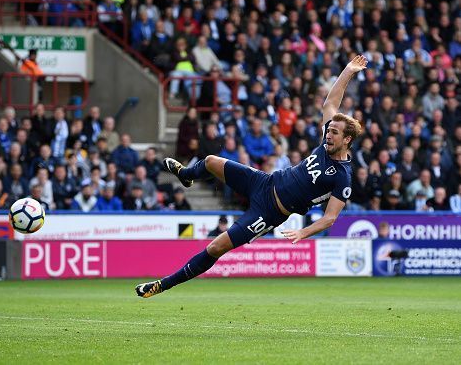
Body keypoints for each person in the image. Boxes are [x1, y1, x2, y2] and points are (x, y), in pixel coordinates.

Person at [135, 55, 367, 298]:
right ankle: (186, 174)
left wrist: (304, 232)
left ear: (347, 139)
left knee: (216, 246)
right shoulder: (325, 143)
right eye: (328, 130)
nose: (328, 135)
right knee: (212, 161)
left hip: (270, 212)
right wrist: (348, 71)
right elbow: (331, 102)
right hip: (265, 182)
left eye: (334, 133)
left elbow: (330, 218)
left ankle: (162, 285)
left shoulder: (342, 177)